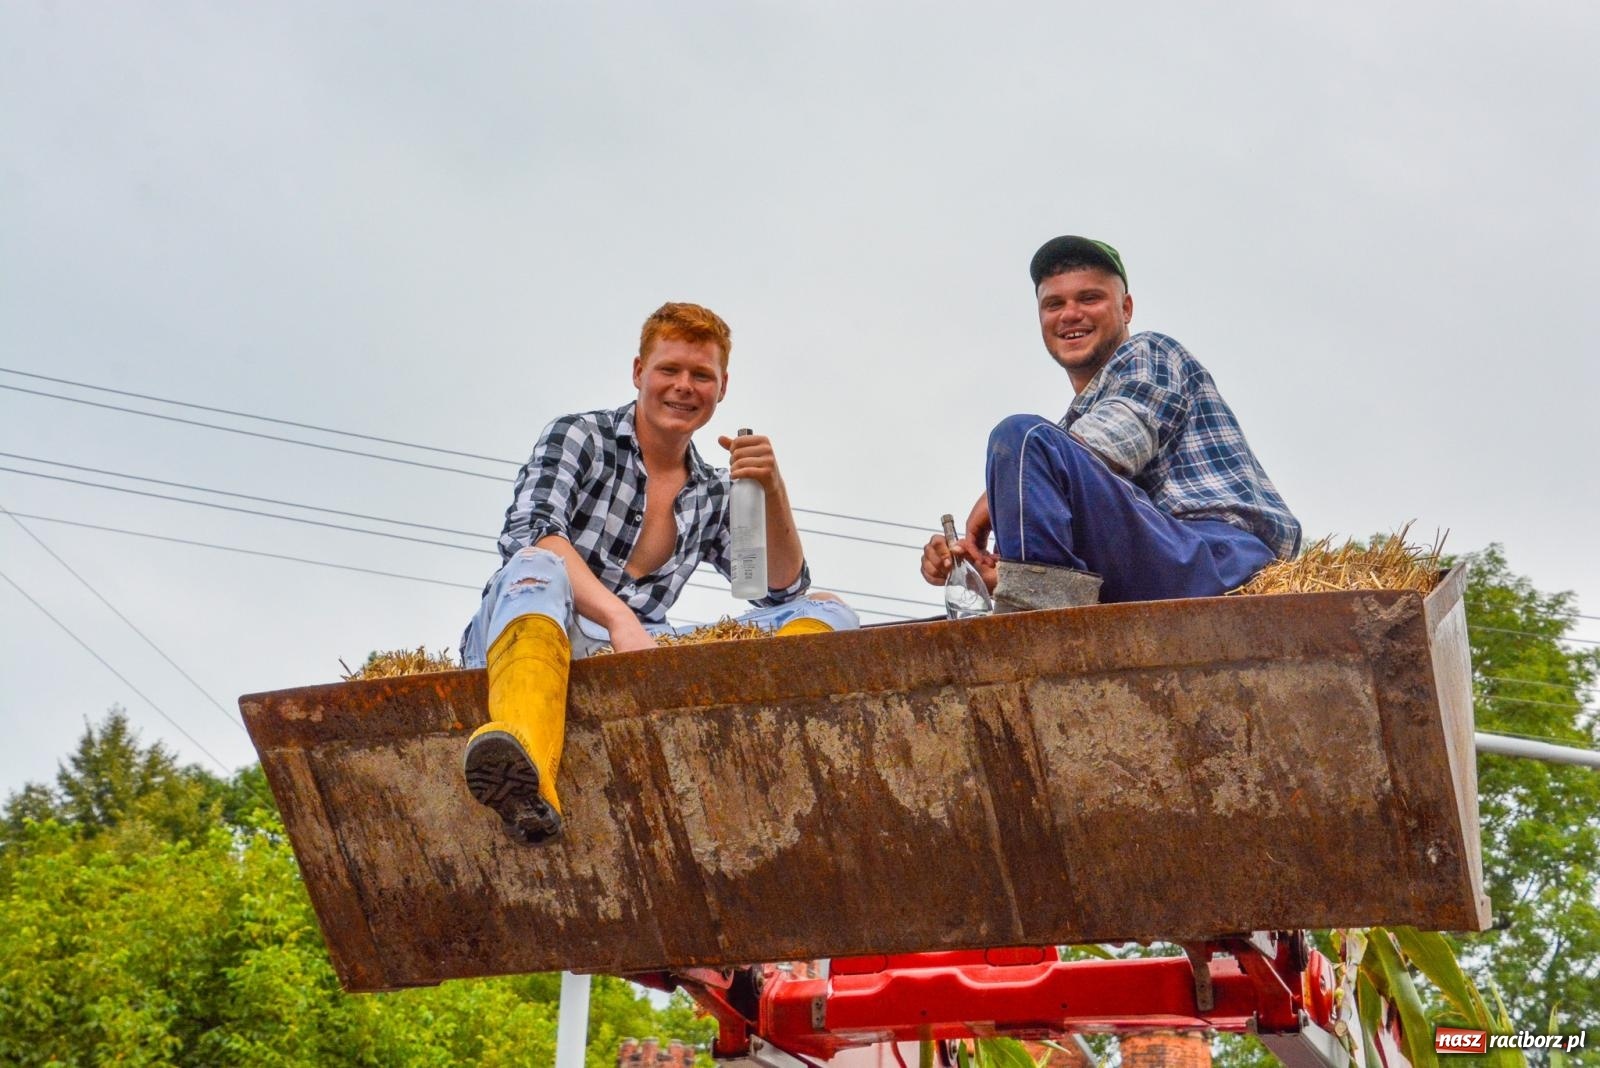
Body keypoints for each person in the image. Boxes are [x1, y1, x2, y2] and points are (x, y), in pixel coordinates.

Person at [461, 301, 857, 844]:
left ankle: (765, 745)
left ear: (722, 388)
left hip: (636, 655)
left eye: (702, 375)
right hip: (533, 631)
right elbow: (528, 531)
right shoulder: (581, 436)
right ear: (638, 373)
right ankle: (525, 765)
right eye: (669, 369)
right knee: (537, 564)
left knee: (830, 610)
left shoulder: (716, 491)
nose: (683, 387)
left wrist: (771, 488)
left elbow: (780, 590)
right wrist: (621, 621)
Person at [921, 236, 1300, 611]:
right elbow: (1048, 550)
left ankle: (1031, 634)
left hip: (1217, 555)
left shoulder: (1151, 353)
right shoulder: (1068, 440)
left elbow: (1122, 433)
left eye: (1089, 298)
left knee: (1020, 436)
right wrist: (975, 568)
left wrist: (994, 496)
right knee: (1032, 453)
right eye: (1054, 304)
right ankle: (1037, 623)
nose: (1070, 314)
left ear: (1127, 308)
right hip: (1141, 574)